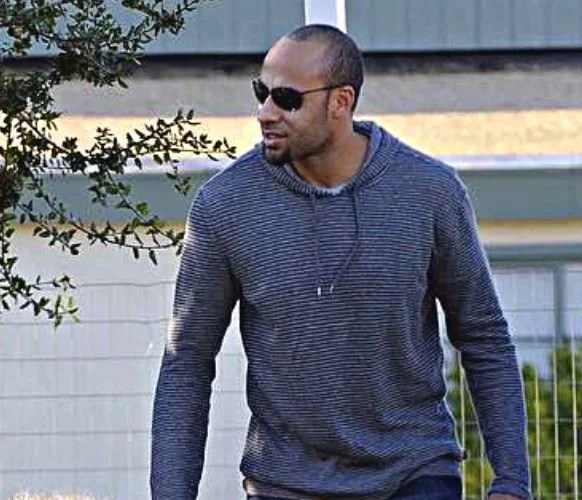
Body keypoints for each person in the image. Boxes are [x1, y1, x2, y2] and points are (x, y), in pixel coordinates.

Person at [151, 24, 530, 500]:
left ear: (341, 101)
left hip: (415, 471)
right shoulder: (226, 205)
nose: (266, 113)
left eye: (287, 99)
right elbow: (187, 361)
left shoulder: (429, 193)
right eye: (262, 93)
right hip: (286, 483)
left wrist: (511, 481)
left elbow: (483, 336)